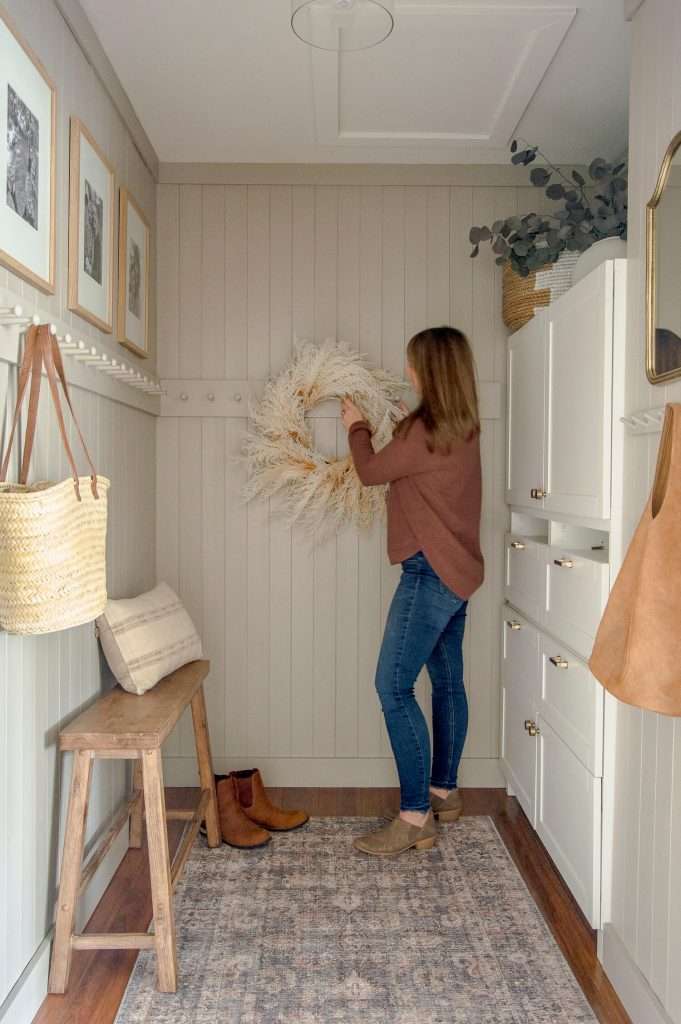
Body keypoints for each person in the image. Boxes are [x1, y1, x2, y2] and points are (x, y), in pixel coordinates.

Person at [341, 326, 484, 857]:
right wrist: (404, 422)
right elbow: (425, 467)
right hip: (460, 574)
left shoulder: (422, 433)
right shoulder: (463, 427)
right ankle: (442, 792)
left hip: (428, 575)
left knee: (392, 687)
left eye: (412, 363)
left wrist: (356, 427)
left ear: (429, 370)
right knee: (448, 683)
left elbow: (370, 471)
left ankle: (414, 817)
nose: (406, 370)